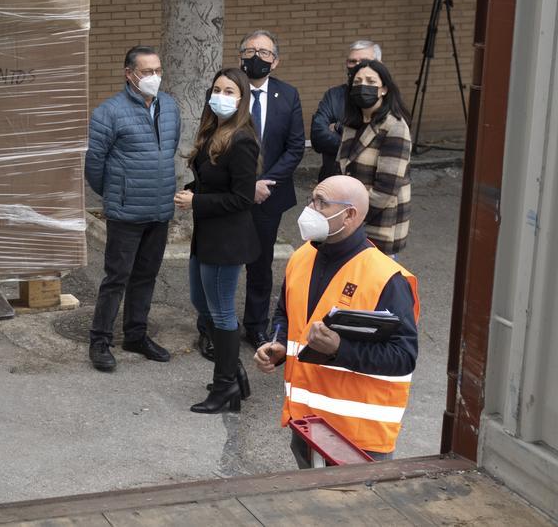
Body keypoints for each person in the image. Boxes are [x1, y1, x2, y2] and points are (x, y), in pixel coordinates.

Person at [253, 175, 419, 466]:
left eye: (322, 203)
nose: (311, 209)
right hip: (306, 426)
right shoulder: (301, 257)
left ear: (350, 215)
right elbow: (286, 313)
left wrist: (339, 348)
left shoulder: (387, 279)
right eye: (312, 200)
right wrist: (278, 343)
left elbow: (403, 357)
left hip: (358, 439)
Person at [197, 30, 303, 359]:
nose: (256, 56)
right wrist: (245, 186)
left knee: (260, 262)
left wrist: (264, 183)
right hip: (228, 194)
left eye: (264, 52)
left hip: (268, 195)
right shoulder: (226, 93)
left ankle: (256, 324)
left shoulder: (288, 95)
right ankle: (211, 327)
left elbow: (295, 147)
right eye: (249, 50)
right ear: (239, 54)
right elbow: (208, 140)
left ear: (276, 60)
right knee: (215, 262)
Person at [84, 46, 181, 371]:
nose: (154, 77)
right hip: (126, 211)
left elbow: (168, 150)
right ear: (129, 74)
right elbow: (94, 164)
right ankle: (100, 341)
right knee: (117, 277)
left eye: (157, 70)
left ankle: (136, 334)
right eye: (146, 72)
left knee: (147, 275)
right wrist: (115, 194)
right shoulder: (108, 112)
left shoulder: (169, 107)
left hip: (159, 208)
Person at [175, 67, 261, 413]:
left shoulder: (242, 139)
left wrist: (196, 201)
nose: (221, 96)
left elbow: (242, 198)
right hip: (207, 234)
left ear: (241, 100)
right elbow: (216, 183)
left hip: (227, 240)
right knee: (201, 300)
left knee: (222, 311)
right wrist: (195, 190)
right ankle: (234, 370)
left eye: (229, 92)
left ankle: (225, 386)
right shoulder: (214, 131)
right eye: (217, 89)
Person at [337, 59, 412, 255]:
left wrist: (352, 218)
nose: (363, 86)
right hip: (352, 222)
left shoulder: (395, 126)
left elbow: (386, 190)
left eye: (371, 82)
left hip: (379, 225)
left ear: (384, 89)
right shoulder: (352, 124)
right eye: (358, 82)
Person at [311, 40, 382, 182]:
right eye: (352, 61)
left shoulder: (386, 98)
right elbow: (318, 137)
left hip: (372, 185)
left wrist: (338, 127)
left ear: (379, 64)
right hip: (332, 181)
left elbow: (388, 142)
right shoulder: (333, 96)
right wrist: (364, 144)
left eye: (364, 61)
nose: (357, 66)